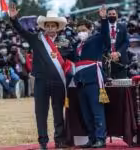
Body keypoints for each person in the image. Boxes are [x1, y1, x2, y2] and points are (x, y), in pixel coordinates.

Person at [8, 2, 69, 149]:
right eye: (47, 26)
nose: (50, 28)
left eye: (52, 26)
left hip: (58, 82)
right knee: (41, 113)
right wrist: (14, 19)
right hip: (41, 81)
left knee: (58, 112)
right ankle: (43, 142)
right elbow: (21, 31)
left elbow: (70, 61)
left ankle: (59, 140)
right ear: (44, 27)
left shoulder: (65, 42)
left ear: (57, 27)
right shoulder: (36, 39)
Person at [73, 6, 110, 148]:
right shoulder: (76, 46)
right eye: (79, 31)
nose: (81, 33)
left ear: (90, 30)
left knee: (97, 112)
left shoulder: (96, 40)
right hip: (81, 82)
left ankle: (101, 138)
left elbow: (106, 35)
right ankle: (92, 138)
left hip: (94, 80)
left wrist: (104, 19)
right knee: (86, 113)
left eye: (84, 30)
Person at [105, 7, 129, 79]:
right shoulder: (103, 28)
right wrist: (109, 53)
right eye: (109, 14)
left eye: (113, 14)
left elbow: (126, 42)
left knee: (122, 85)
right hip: (107, 61)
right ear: (107, 16)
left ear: (117, 15)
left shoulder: (123, 27)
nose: (112, 15)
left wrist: (118, 53)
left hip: (121, 61)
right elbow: (101, 43)